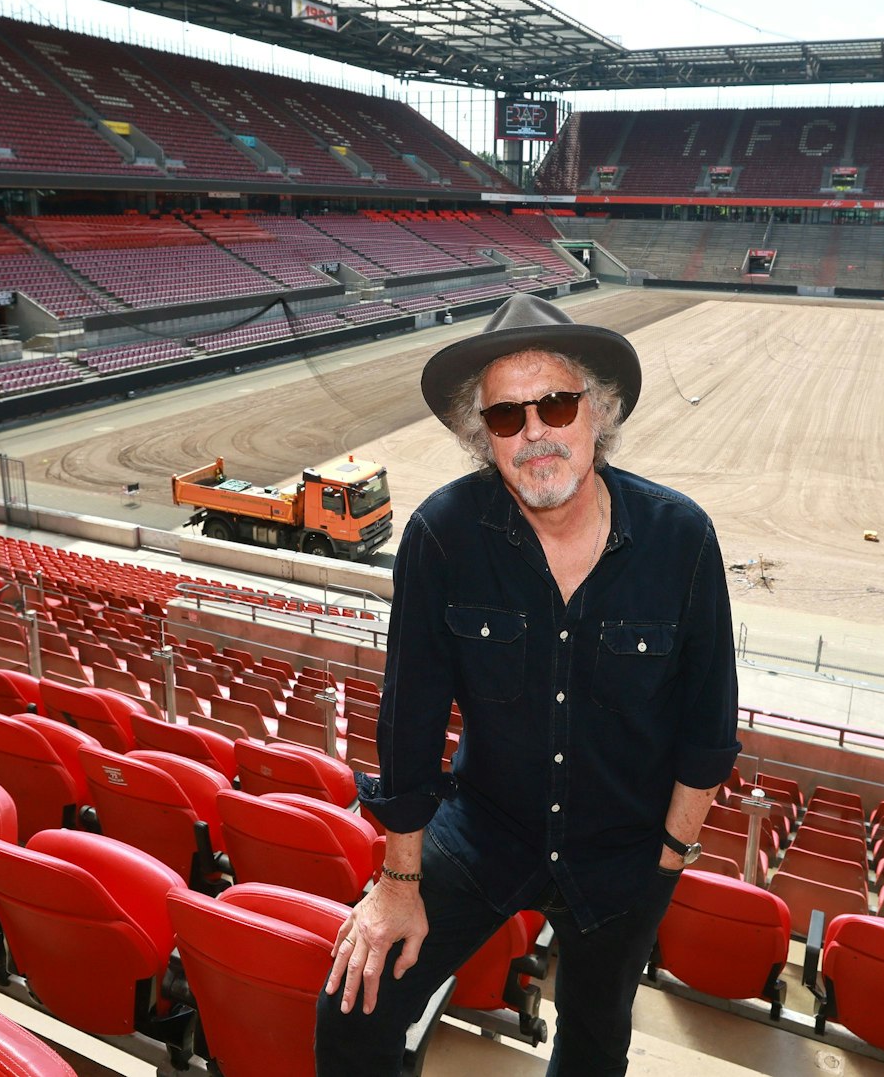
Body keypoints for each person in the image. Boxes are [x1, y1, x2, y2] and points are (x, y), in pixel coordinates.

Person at [315, 294, 740, 1076]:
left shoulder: (682, 537)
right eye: (507, 417)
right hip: (485, 827)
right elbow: (408, 723)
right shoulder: (441, 535)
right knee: (354, 1005)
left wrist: (669, 859)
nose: (535, 430)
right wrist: (397, 881)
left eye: (555, 402)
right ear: (486, 440)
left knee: (594, 1046)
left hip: (626, 848)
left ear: (598, 413)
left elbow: (708, 726)